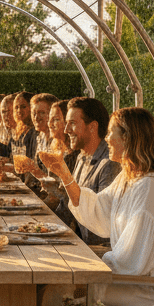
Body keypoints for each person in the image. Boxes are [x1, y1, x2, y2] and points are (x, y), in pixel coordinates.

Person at [47, 107, 154, 306]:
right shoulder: (129, 178)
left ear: (128, 138)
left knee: (62, 291)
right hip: (135, 277)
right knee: (62, 282)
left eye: (110, 132)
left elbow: (134, 258)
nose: (106, 139)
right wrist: (64, 174)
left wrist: (93, 263)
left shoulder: (150, 187)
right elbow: (98, 210)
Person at [50, 97, 119, 240]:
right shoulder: (81, 157)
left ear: (92, 127)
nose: (66, 130)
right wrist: (45, 228)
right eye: (66, 123)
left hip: (96, 248)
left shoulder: (109, 164)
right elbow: (69, 207)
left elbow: (103, 225)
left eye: (72, 123)